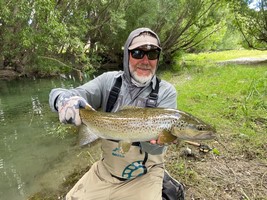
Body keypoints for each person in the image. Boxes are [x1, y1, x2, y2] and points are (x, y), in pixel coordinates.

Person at [49, 27, 184, 200]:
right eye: (137, 53)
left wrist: (159, 141)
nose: (145, 60)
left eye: (152, 54)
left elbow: (155, 150)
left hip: (145, 175)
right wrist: (63, 100)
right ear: (127, 55)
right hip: (106, 172)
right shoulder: (108, 81)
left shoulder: (166, 92)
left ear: (158, 58)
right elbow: (62, 93)